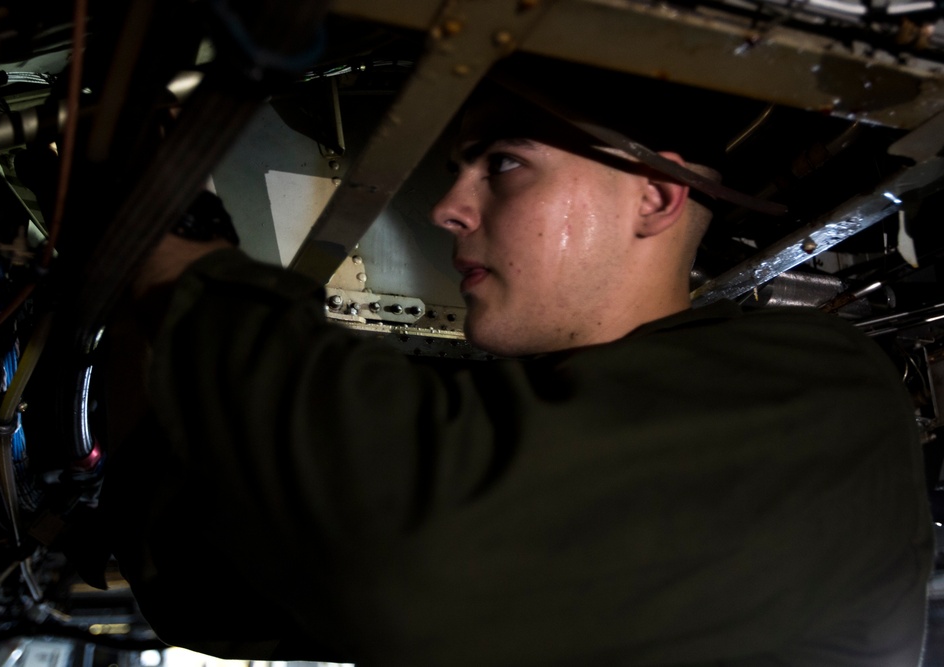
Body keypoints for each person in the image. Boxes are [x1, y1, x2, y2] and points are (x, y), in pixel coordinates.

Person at [97, 55, 934, 667]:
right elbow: (198, 585)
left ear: (655, 197)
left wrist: (180, 265)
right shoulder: (511, 432)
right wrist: (158, 317)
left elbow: (407, 554)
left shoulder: (825, 397)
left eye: (503, 164)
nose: (448, 208)